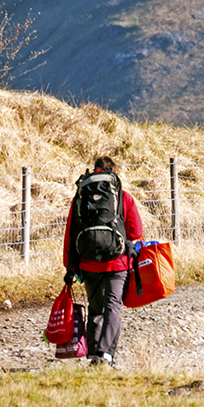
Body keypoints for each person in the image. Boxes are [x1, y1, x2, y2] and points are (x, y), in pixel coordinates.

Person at [63, 156, 143, 366]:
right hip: (117, 263)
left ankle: (94, 356)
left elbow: (71, 233)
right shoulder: (123, 197)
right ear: (113, 173)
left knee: (95, 309)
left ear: (94, 171)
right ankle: (107, 355)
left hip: (88, 263)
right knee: (112, 307)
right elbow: (137, 231)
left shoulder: (80, 198)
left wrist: (70, 267)